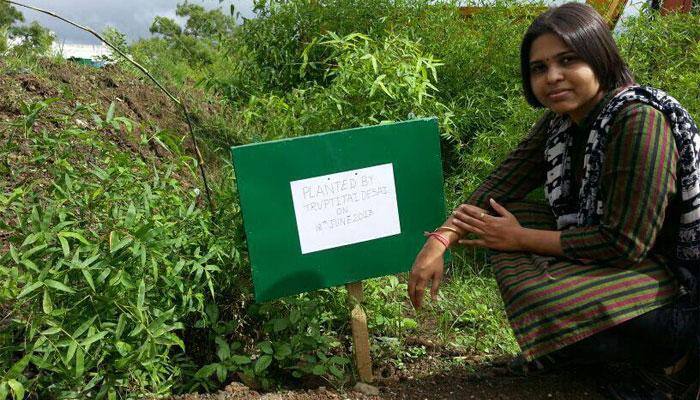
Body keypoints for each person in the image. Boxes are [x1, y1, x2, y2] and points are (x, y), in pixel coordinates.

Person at [408, 2, 699, 398]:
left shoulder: (638, 120)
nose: (553, 77)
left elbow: (625, 243)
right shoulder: (565, 120)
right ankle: (588, 348)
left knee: (541, 288)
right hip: (633, 266)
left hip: (683, 293)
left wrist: (520, 238)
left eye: (568, 60)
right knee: (497, 218)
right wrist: (440, 239)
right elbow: (503, 182)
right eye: (539, 68)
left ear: (600, 57)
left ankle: (662, 361)